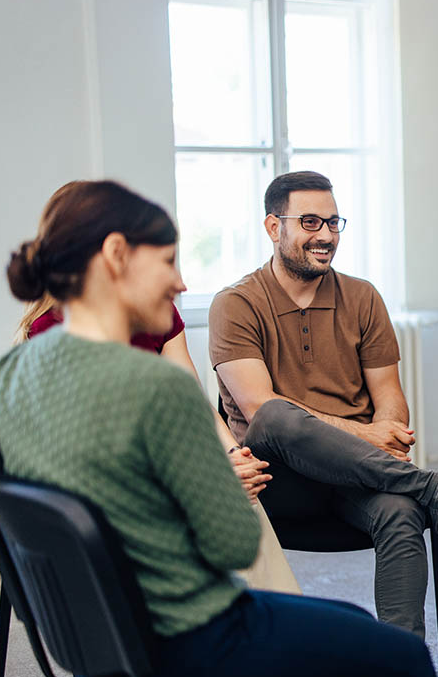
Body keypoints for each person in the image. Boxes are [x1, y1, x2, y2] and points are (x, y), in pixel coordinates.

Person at [0, 180, 438, 677]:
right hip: (191, 661)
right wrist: (214, 478)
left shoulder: (9, 375)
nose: (180, 283)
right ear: (116, 257)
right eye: (167, 262)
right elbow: (230, 543)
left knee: (355, 659)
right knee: (396, 655)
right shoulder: (156, 387)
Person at [209, 170, 438, 637]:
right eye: (310, 222)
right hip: (278, 481)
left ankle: (402, 663)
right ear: (273, 227)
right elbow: (257, 408)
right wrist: (368, 434)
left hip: (356, 475)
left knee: (401, 513)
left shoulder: (362, 296)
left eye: (333, 223)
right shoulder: (236, 303)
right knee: (274, 415)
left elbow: (389, 396)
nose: (326, 235)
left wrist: (383, 431)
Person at [16, 247, 300, 602]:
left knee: (243, 492)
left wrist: (233, 454)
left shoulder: (159, 313)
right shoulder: (54, 329)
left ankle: (258, 614)